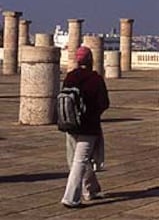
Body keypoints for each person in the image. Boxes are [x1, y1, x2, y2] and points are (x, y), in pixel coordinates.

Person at [61, 46, 110, 208]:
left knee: (81, 159)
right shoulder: (95, 79)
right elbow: (104, 103)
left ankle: (91, 190)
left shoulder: (70, 77)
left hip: (71, 125)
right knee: (81, 161)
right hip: (89, 127)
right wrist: (93, 113)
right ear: (91, 60)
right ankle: (70, 198)